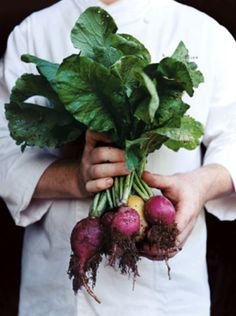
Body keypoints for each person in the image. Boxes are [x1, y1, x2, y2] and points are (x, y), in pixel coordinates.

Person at [0, 0, 236, 315]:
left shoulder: (207, 34)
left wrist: (200, 185)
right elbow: (5, 156)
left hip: (167, 297)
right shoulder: (32, 32)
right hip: (59, 297)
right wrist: (76, 178)